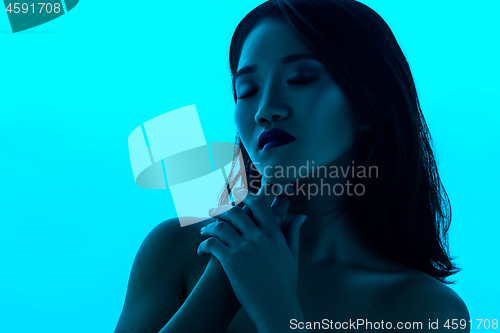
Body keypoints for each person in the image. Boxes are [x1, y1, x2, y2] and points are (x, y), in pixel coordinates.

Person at [114, 0, 470, 332]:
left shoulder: (426, 309)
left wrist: (276, 308)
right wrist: (222, 280)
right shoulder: (176, 249)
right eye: (247, 89)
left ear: (368, 107)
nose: (265, 109)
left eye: (300, 79)